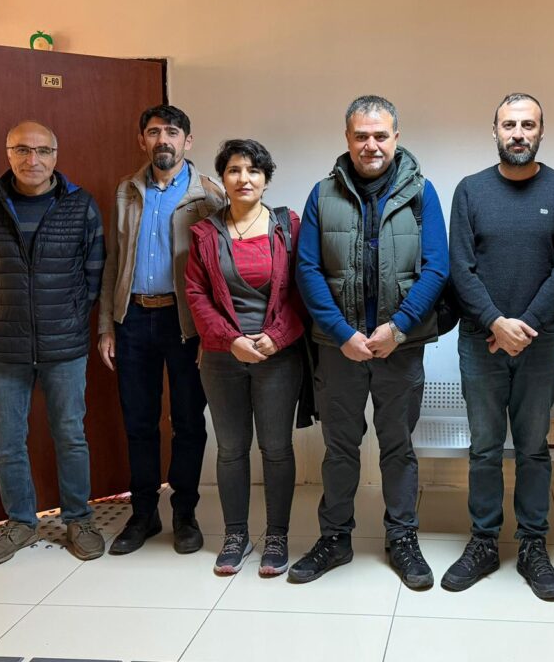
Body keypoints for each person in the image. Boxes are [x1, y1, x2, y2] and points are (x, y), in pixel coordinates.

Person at [292, 95, 448, 589]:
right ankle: (334, 538)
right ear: (347, 138)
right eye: (361, 135)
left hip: (399, 346)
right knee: (340, 448)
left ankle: (402, 538)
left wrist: (397, 327)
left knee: (398, 447)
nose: (371, 145)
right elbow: (307, 269)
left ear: (396, 138)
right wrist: (343, 334)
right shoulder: (323, 194)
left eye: (381, 135)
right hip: (338, 348)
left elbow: (437, 268)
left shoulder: (422, 193)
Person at [445, 93, 554, 600]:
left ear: (541, 131)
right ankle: (483, 541)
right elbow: (461, 268)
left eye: (527, 125)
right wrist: (495, 323)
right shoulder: (470, 190)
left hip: (541, 343)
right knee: (484, 447)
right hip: (480, 340)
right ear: (495, 131)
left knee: (533, 448)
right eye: (509, 125)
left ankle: (532, 545)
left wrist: (522, 326)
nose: (518, 133)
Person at [0, 120, 105, 565]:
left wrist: (68, 316)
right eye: (22, 150)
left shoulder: (80, 204)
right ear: (8, 153)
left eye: (43, 151)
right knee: (6, 440)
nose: (33, 160)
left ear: (55, 155)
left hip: (65, 343)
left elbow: (94, 273)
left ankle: (79, 519)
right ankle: (20, 523)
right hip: (3, 345)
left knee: (71, 435)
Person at [97, 104, 224, 556]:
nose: (163, 140)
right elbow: (114, 260)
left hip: (185, 323)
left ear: (188, 141)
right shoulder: (126, 190)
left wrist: (214, 333)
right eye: (154, 132)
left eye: (172, 132)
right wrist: (107, 326)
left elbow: (220, 269)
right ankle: (144, 514)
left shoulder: (209, 196)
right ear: (142, 140)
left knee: (188, 422)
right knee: (139, 422)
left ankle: (185, 513)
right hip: (132, 319)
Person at [185, 139, 305, 577]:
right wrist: (230, 339)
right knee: (231, 449)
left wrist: (276, 336)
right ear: (223, 179)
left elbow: (304, 290)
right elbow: (196, 294)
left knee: (276, 448)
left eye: (254, 170)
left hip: (278, 356)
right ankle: (235, 535)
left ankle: (277, 536)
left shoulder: (288, 226)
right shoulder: (205, 233)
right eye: (234, 170)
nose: (244, 178)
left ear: (266, 179)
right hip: (222, 357)